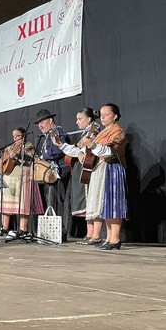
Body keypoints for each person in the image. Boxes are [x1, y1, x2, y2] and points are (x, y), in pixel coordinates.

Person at [53, 102, 128, 250]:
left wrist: (91, 145)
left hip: (112, 169)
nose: (103, 117)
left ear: (115, 116)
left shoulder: (118, 132)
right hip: (101, 170)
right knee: (106, 205)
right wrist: (62, 145)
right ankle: (109, 238)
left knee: (113, 204)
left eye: (107, 114)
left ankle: (115, 238)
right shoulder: (101, 134)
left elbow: (109, 152)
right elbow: (82, 151)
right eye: (102, 114)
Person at [0, 127, 44, 241]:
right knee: (6, 204)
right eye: (14, 136)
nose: (15, 138)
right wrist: (0, 160)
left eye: (17, 136)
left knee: (22, 203)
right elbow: (2, 155)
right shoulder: (10, 147)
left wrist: (17, 157)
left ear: (23, 135)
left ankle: (23, 229)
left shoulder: (28, 146)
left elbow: (33, 160)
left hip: (22, 176)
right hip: (9, 177)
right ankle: (4, 228)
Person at [33, 108, 72, 242]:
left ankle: (59, 233)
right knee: (51, 202)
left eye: (42, 122)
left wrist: (44, 158)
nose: (40, 125)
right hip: (50, 174)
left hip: (58, 172)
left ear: (50, 120)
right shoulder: (48, 135)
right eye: (38, 123)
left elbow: (58, 150)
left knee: (57, 202)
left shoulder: (57, 131)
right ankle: (52, 232)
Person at [68, 107, 101, 242]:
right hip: (84, 169)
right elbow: (78, 149)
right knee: (87, 202)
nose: (77, 122)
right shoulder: (86, 133)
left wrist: (81, 152)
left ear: (89, 119)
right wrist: (79, 152)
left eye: (80, 119)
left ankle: (95, 234)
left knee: (91, 201)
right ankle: (89, 233)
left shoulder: (94, 131)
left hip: (92, 169)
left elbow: (91, 149)